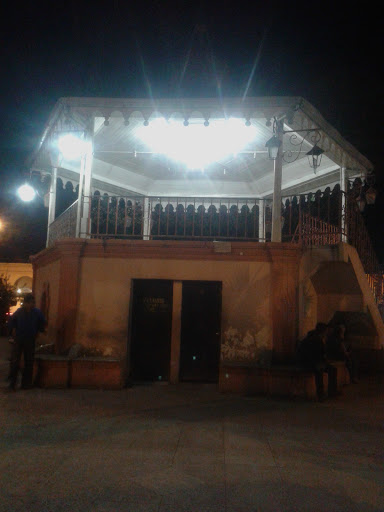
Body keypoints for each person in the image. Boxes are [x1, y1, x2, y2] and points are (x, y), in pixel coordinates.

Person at [7, 294, 46, 390]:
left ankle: (26, 384)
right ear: (26, 303)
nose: (33, 304)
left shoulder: (36, 312)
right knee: (15, 361)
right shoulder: (19, 312)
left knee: (29, 361)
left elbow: (42, 322)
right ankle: (13, 383)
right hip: (19, 339)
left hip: (30, 339)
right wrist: (12, 332)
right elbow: (12, 322)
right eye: (31, 302)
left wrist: (40, 330)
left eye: (33, 302)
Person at [297, 322, 338, 401]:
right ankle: (322, 394)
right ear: (323, 331)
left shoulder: (313, 338)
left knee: (331, 369)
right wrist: (321, 362)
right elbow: (316, 354)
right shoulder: (316, 340)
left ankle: (330, 391)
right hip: (307, 363)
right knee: (320, 371)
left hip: (310, 361)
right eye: (326, 331)